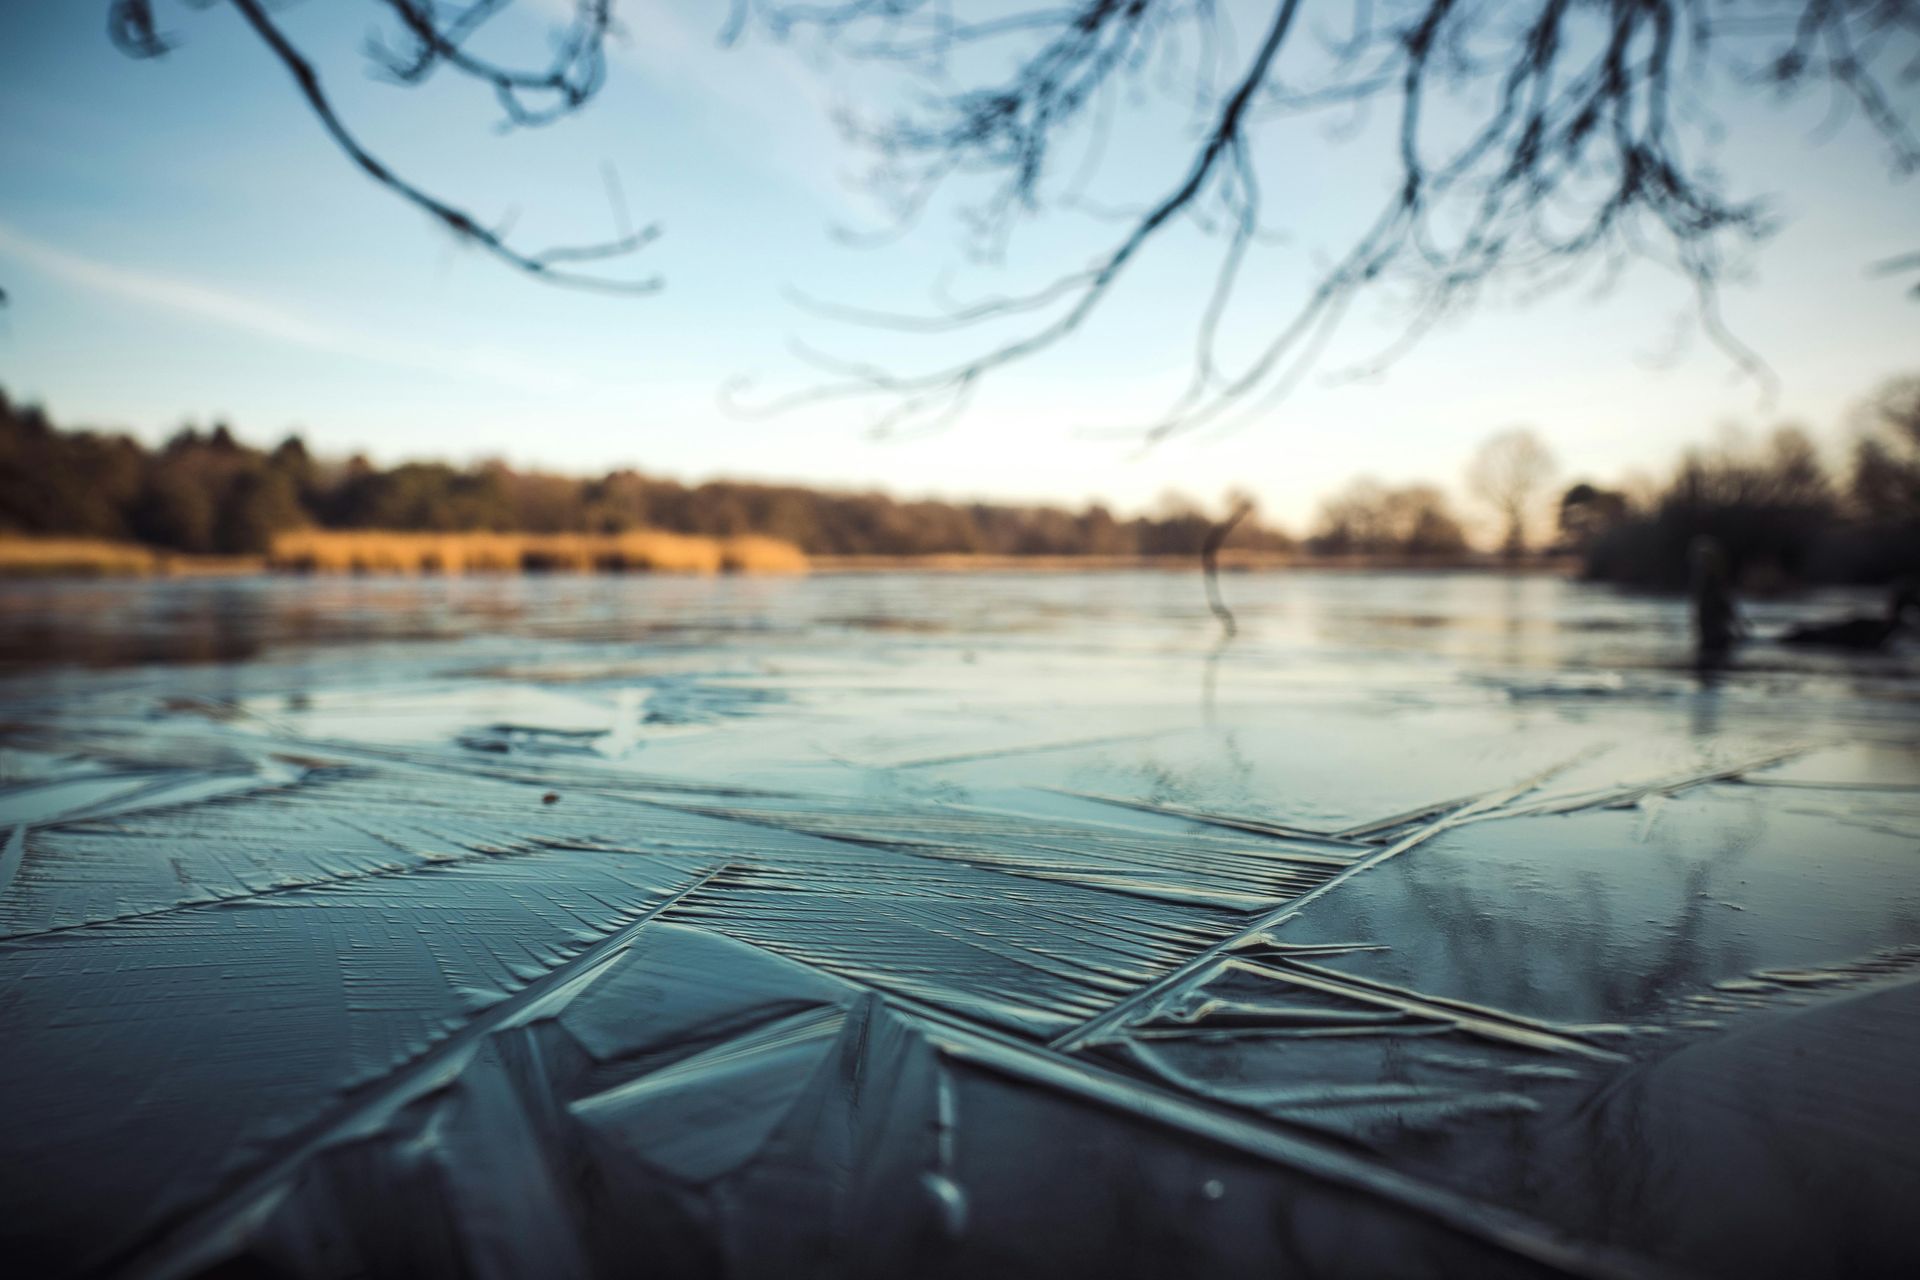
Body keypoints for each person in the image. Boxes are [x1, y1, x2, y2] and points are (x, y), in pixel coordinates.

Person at [1689, 537, 1742, 662]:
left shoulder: (1716, 585)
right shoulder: (1701, 586)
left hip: (1717, 638)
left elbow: (1728, 608)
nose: (1699, 564)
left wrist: (1739, 629)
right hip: (1709, 637)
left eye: (1702, 560)